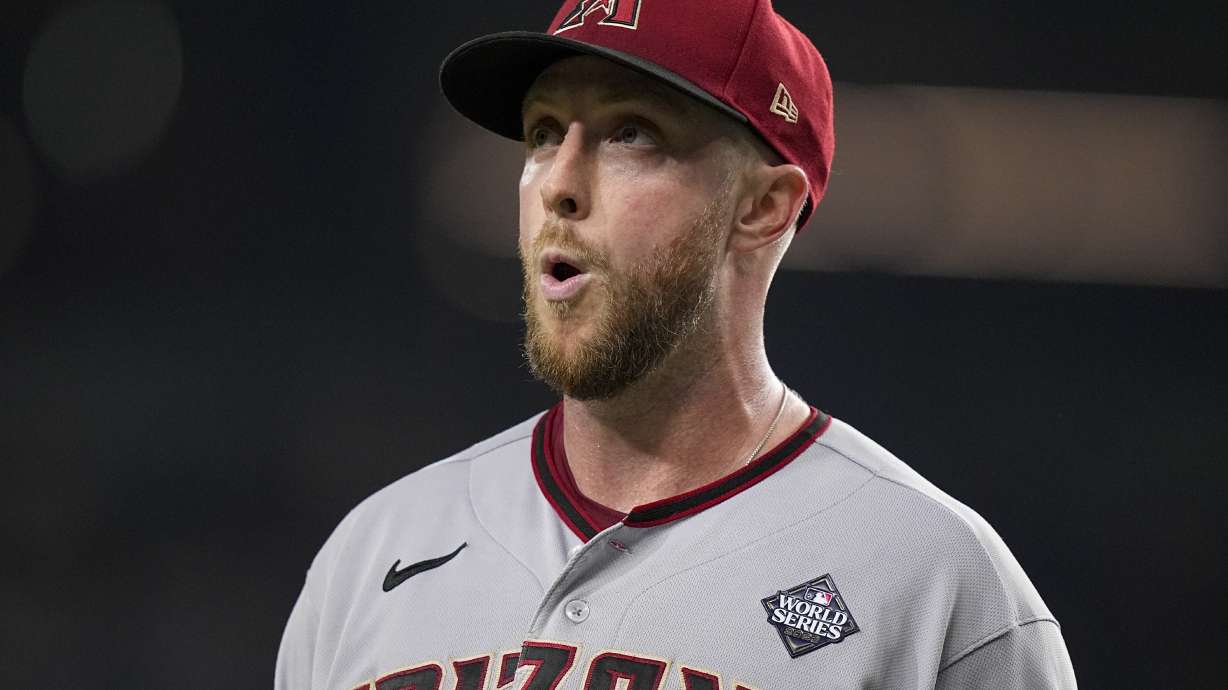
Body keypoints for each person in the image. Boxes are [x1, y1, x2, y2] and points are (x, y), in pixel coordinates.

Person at [276, 1, 1077, 688]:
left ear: (762, 207)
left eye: (631, 134)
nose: (559, 180)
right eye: (544, 132)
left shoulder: (936, 580)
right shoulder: (372, 554)